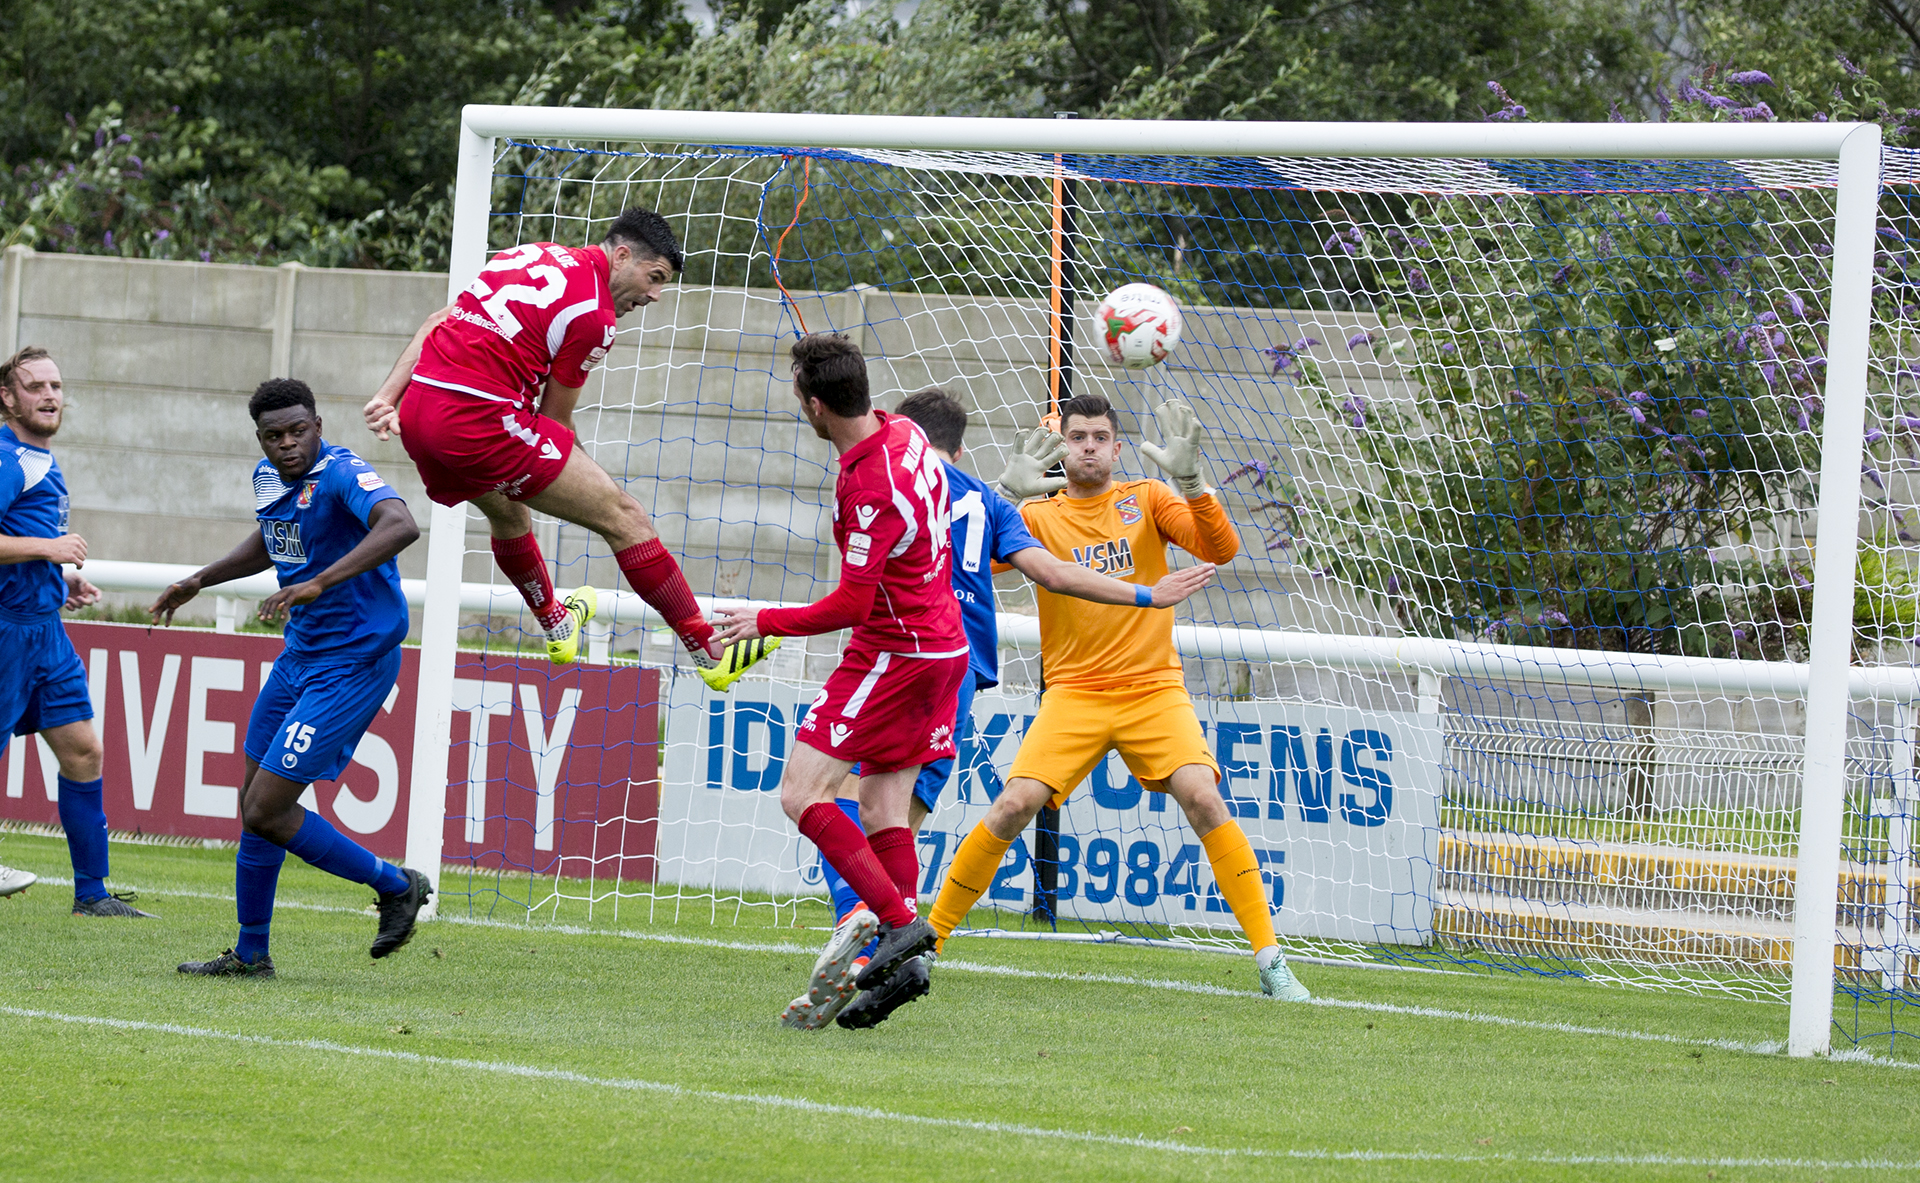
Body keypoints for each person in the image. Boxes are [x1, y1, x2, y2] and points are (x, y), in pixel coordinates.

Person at [818, 387, 1217, 1030]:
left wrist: (768, 621)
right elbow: (1054, 574)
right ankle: (893, 949)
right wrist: (1011, 498)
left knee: (826, 792)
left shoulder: (898, 485)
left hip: (908, 660)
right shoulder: (990, 502)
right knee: (895, 813)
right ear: (962, 446)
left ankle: (874, 929)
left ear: (904, 439)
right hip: (964, 670)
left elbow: (866, 582)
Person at [924, 392, 1313, 1002]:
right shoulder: (1038, 518)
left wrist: (1192, 484)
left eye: (1098, 437)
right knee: (1012, 806)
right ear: (1062, 447)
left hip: (1153, 689)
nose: (1087, 447)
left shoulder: (1149, 499)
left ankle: (1270, 960)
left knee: (1204, 798)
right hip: (1074, 694)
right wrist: (1006, 494)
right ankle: (926, 943)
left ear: (1116, 446)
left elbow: (1221, 549)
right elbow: (956, 555)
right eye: (1076, 437)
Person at [361, 207, 762, 688]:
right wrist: (592, 480)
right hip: (479, 421)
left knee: (509, 514)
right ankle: (709, 649)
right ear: (621, 254)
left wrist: (387, 396)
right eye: (654, 278)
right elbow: (554, 420)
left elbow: (438, 319)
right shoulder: (595, 317)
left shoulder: (527, 253)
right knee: (623, 515)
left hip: (422, 413)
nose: (655, 295)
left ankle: (556, 622)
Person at [712, 334, 960, 1030]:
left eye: (801, 400)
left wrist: (763, 619)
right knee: (883, 809)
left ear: (815, 405)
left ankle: (900, 923)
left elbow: (852, 605)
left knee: (801, 792)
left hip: (894, 651)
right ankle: (902, 966)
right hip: (941, 648)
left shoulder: (870, 481)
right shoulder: (905, 430)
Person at [156, 379, 428, 977]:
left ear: (319, 425)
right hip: (299, 656)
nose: (287, 445)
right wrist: (202, 578)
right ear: (260, 438)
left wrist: (320, 581)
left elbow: (401, 524)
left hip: (353, 662)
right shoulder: (265, 477)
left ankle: (395, 885)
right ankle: (252, 953)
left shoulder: (341, 472)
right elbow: (274, 541)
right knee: (254, 802)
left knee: (268, 810)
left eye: (297, 431)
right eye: (273, 436)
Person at [0, 347, 141, 917]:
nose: (50, 395)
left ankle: (93, 894)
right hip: (7, 633)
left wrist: (56, 579)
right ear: (7, 398)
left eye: (56, 385)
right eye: (34, 386)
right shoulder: (8, 458)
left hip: (44, 630)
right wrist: (48, 549)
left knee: (83, 751)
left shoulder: (40, 459)